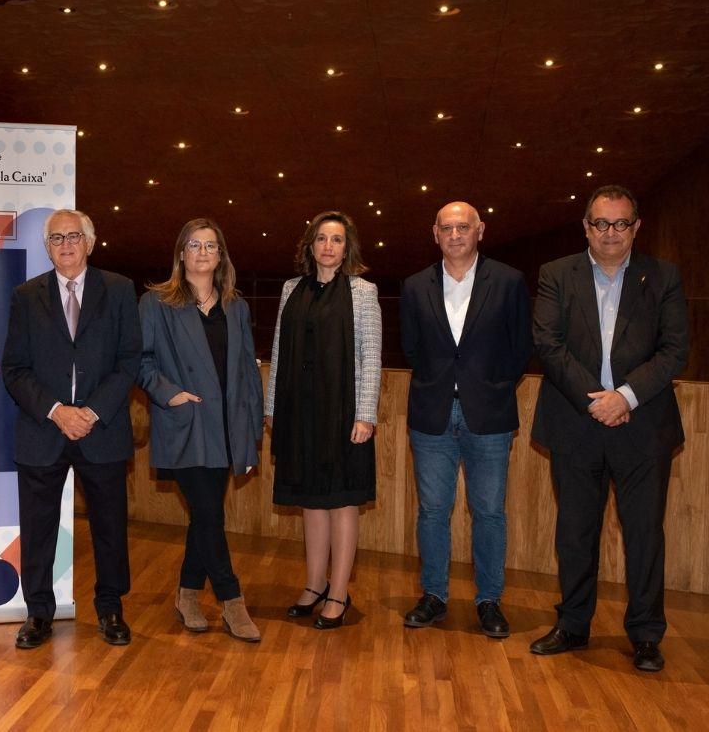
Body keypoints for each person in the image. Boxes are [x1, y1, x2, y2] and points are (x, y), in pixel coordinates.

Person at [528, 185, 688, 673]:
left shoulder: (663, 277)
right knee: (575, 533)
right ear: (586, 227)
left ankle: (645, 634)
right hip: (576, 424)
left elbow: (674, 349)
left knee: (643, 536)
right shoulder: (557, 274)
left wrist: (626, 397)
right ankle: (573, 626)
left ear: (636, 227)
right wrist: (596, 401)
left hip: (643, 427)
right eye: (601, 223)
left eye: (621, 223)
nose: (610, 233)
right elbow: (547, 343)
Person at [1, 209, 142, 649]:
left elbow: (129, 361)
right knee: (38, 526)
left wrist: (92, 411)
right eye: (57, 238)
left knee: (109, 526)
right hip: (44, 431)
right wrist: (58, 411)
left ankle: (111, 607)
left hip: (103, 429)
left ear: (90, 242)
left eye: (74, 236)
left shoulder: (118, 290)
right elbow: (15, 369)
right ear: (47, 247)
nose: (66, 244)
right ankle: (38, 613)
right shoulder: (26, 296)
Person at [399, 202, 532, 638]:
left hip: (489, 415)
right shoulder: (415, 286)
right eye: (447, 227)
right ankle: (434, 596)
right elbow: (412, 348)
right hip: (431, 414)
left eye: (464, 227)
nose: (455, 234)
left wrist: (488, 386)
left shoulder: (509, 281)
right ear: (434, 233)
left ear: (480, 231)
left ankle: (489, 600)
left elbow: (520, 349)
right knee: (433, 511)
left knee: (490, 512)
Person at [137, 218, 264, 642]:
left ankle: (188, 595)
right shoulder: (157, 302)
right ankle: (232, 602)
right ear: (181, 253)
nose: (203, 252)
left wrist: (253, 425)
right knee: (210, 514)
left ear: (221, 255)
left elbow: (247, 369)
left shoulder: (237, 306)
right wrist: (167, 393)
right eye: (195, 244)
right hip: (187, 423)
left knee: (205, 516)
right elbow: (140, 360)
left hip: (226, 427)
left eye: (212, 245)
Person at [265, 211, 381, 630]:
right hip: (299, 412)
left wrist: (366, 414)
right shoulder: (289, 289)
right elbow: (279, 351)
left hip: (344, 414)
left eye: (336, 239)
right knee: (311, 502)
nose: (328, 246)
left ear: (347, 248)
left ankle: (337, 591)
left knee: (342, 502)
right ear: (309, 246)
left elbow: (371, 355)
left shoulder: (363, 292)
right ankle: (313, 585)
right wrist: (273, 409)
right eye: (321, 239)